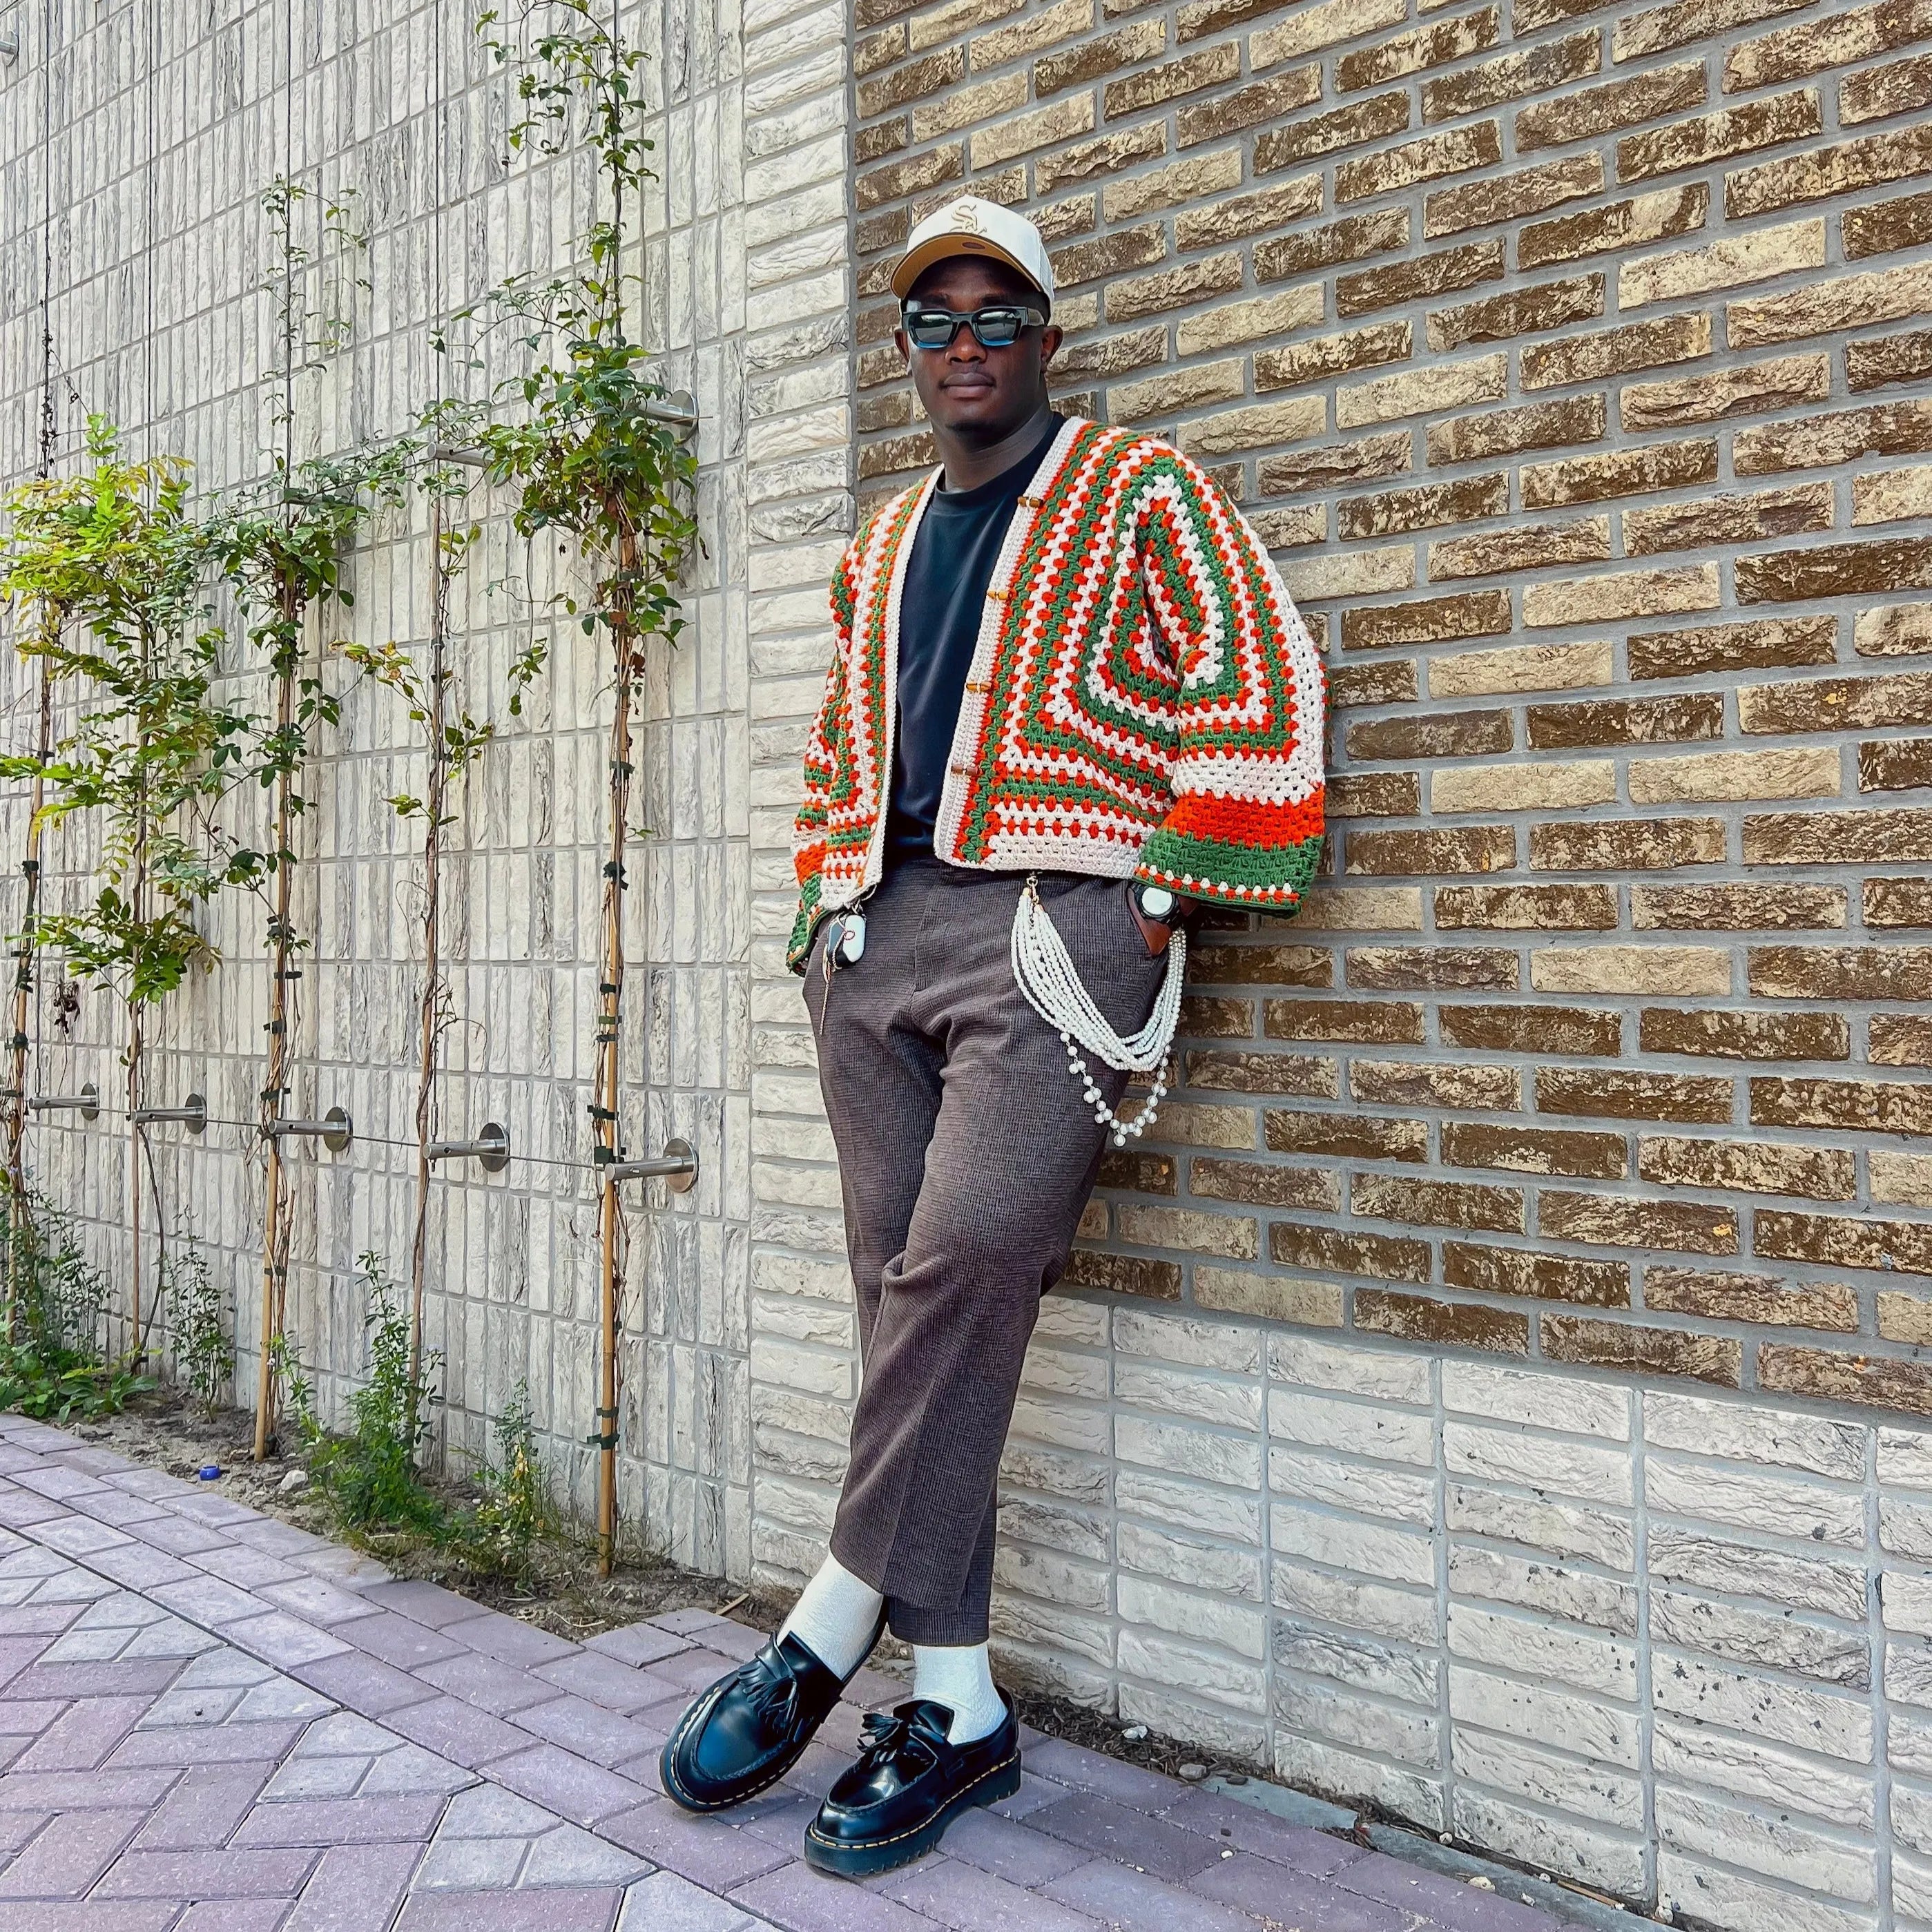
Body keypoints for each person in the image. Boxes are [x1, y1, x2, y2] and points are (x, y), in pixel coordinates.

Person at [661, 195, 1326, 1877]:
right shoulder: (882, 539)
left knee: (963, 1267)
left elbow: (1255, 670)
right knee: (903, 1300)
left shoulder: (1139, 489)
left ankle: (824, 1621)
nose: (964, 347)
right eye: (933, 323)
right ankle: (956, 1706)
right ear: (907, 352)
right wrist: (818, 906)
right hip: (873, 942)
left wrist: (1163, 890)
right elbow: (841, 739)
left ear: (1045, 337)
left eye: (995, 317)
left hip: (1050, 926)